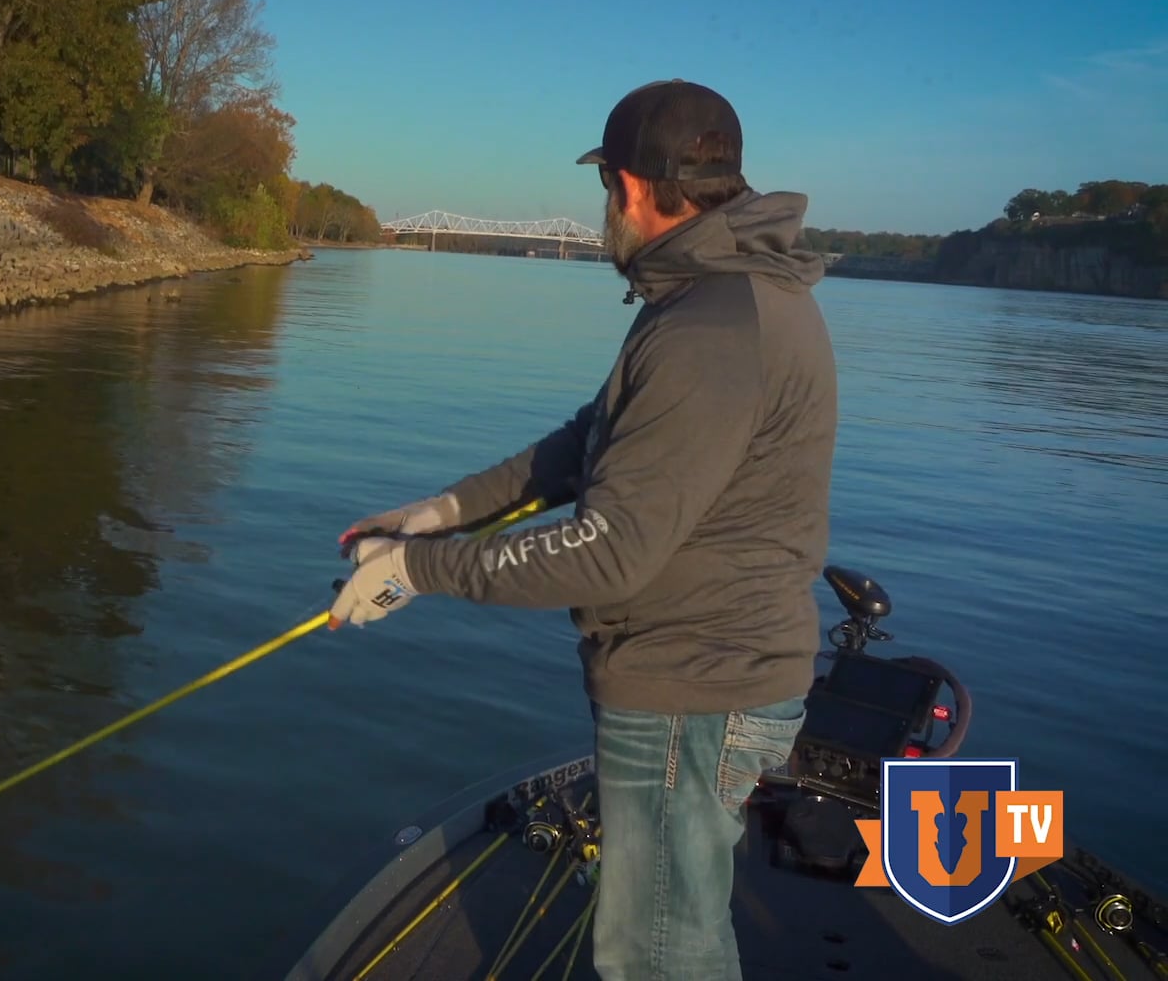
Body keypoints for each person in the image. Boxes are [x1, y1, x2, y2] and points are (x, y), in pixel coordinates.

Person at [328, 79, 838, 981]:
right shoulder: (711, 299)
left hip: (694, 687)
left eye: (606, 185)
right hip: (705, 677)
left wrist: (421, 569)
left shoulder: (710, 328)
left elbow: (610, 550)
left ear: (634, 185)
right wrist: (441, 512)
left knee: (658, 959)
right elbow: (587, 442)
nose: (602, 207)